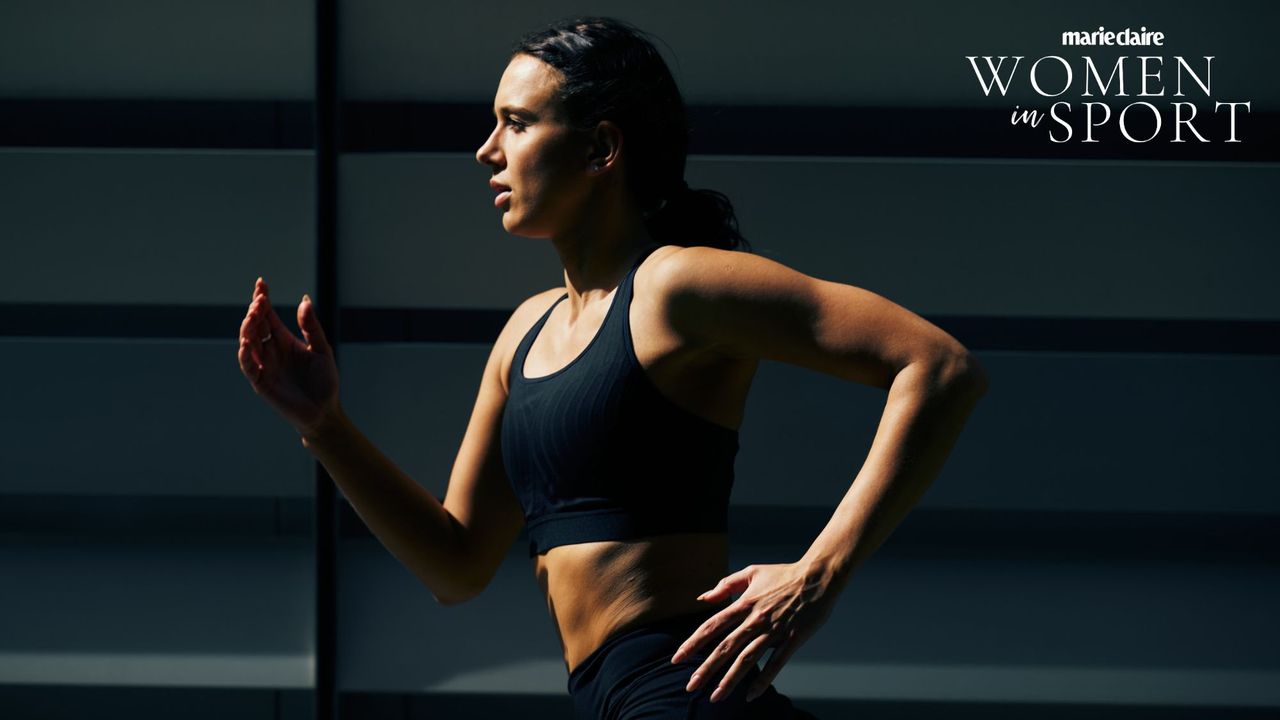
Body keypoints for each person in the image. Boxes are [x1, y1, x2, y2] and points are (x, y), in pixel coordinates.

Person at [237, 16, 989, 720]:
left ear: (601, 147)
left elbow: (939, 366)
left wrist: (817, 575)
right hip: (607, 697)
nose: (486, 151)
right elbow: (456, 565)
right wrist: (325, 427)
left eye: (517, 123)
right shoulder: (523, 335)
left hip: (678, 685)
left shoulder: (678, 286)